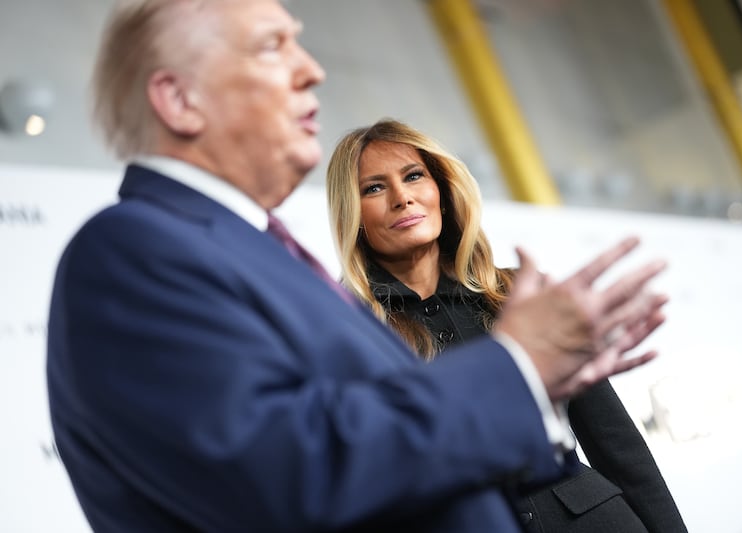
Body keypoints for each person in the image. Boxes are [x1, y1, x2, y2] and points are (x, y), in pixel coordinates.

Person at [47, 1, 669, 531]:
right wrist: (516, 369)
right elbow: (287, 476)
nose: (312, 70)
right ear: (179, 100)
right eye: (272, 47)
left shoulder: (260, 253)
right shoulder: (132, 250)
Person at [325, 118, 686, 532]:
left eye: (413, 176)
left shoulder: (524, 294)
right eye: (374, 187)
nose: (402, 198)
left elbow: (616, 445)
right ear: (353, 214)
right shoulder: (350, 335)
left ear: (441, 192)